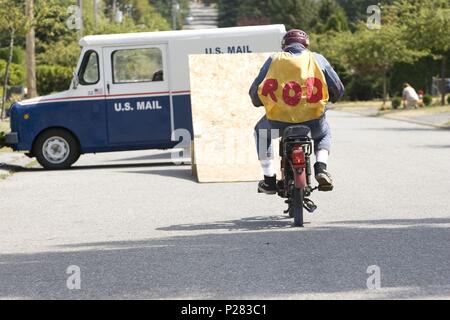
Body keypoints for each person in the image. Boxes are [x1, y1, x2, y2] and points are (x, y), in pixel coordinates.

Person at [249, 29, 345, 194]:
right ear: (306, 44)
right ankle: (321, 168)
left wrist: (257, 102)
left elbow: (256, 88)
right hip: (313, 119)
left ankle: (269, 179)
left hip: (278, 120)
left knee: (261, 132)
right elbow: (337, 87)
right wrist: (334, 98)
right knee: (323, 134)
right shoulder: (317, 59)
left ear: (284, 45)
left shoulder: (274, 59)